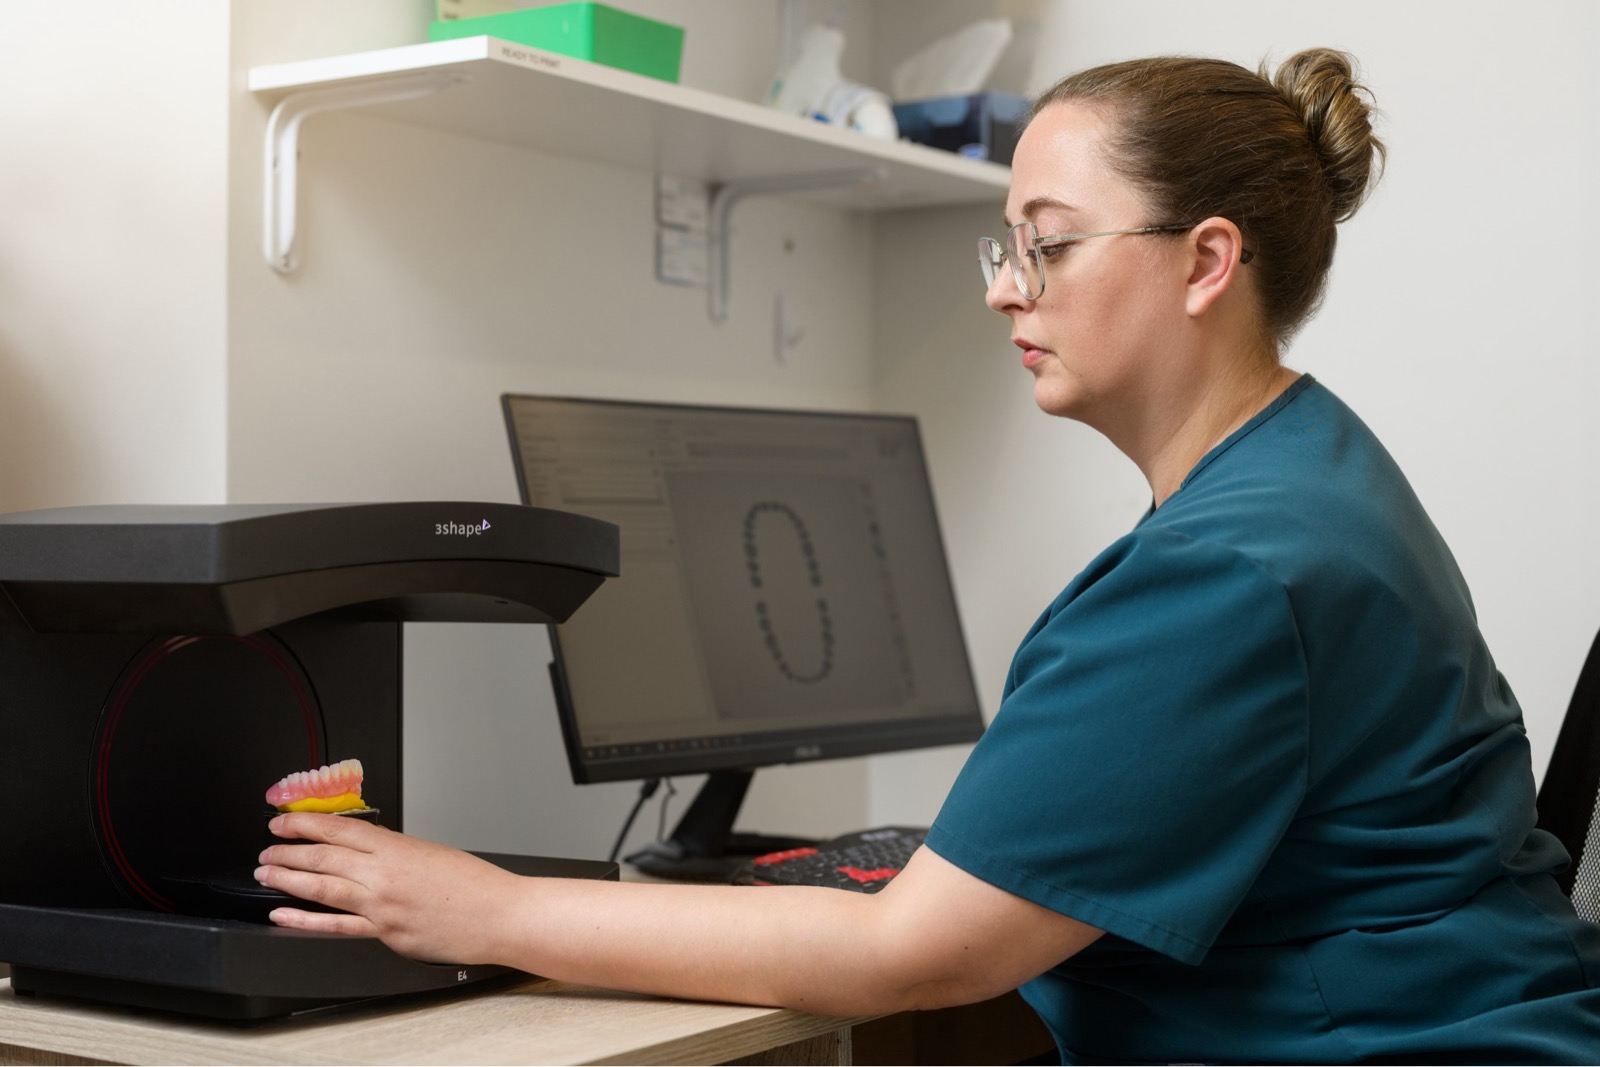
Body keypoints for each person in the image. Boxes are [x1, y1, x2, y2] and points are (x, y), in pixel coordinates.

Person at [255, 48, 1600, 1063]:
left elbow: (916, 953)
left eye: (1049, 247)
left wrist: (485, 908)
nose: (1005, 288)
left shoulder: (1231, 571)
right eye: (1006, 247)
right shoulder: (1312, 471)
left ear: (1206, 262)